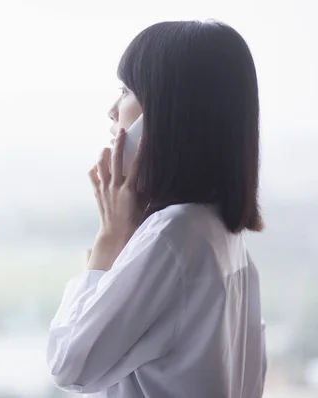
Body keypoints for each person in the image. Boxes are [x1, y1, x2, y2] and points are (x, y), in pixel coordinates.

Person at [46, 20, 267, 398]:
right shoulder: (221, 234)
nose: (113, 111)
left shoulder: (173, 235)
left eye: (127, 90)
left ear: (165, 114)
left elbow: (69, 366)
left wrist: (108, 242)